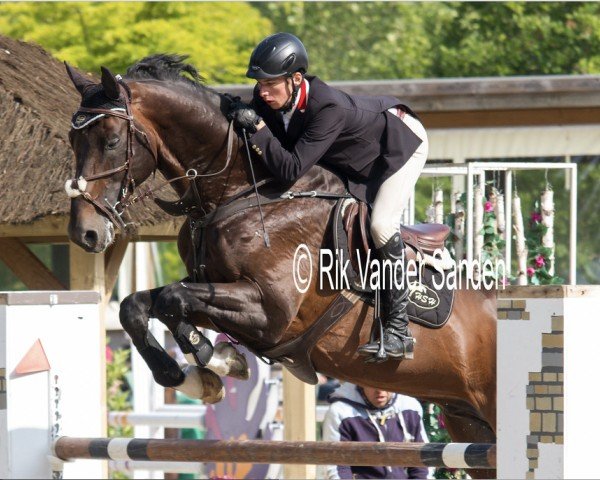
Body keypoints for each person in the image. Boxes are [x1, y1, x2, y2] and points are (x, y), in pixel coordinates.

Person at [228, 33, 429, 362]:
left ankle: (398, 331)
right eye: (259, 84)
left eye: (269, 84)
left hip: (400, 145)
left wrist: (258, 128)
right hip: (354, 160)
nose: (262, 92)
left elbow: (290, 167)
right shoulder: (269, 97)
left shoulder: (328, 106)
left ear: (296, 79)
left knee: (381, 225)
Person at [321, 382, 430, 479]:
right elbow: (337, 465)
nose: (380, 390)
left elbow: (421, 460)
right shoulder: (340, 412)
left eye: (385, 384)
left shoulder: (409, 407)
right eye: (372, 384)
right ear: (360, 382)